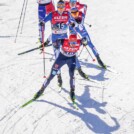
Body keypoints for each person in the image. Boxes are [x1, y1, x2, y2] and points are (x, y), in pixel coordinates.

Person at [33, 34, 88, 102]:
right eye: (71, 42)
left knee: (72, 75)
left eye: (74, 43)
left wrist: (85, 41)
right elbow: (56, 42)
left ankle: (72, 91)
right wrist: (56, 43)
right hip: (61, 59)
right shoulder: (64, 41)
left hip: (71, 59)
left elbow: (85, 40)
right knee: (52, 75)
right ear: (69, 41)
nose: (73, 44)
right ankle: (41, 90)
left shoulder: (79, 43)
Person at [39, 0, 76, 87]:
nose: (60, 8)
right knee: (57, 57)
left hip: (64, 38)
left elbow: (72, 21)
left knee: (68, 54)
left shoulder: (67, 14)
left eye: (62, 6)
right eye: (58, 6)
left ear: (64, 7)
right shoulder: (53, 14)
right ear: (57, 7)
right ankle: (59, 76)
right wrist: (42, 22)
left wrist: (73, 24)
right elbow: (44, 20)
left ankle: (73, 70)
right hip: (55, 38)